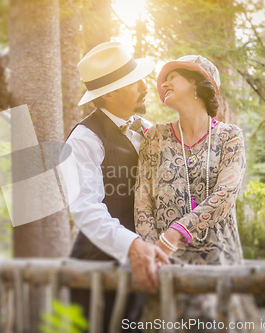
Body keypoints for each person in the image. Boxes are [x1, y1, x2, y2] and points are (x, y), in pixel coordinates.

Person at [134, 55, 259, 331]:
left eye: (172, 76)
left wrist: (177, 231)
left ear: (196, 83)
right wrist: (153, 251)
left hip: (219, 268)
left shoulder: (230, 137)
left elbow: (226, 194)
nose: (164, 82)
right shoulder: (154, 137)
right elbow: (142, 203)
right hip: (167, 268)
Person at [66, 42, 170, 332]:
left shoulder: (146, 129)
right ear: (110, 94)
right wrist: (132, 246)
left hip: (146, 265)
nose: (143, 85)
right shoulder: (83, 139)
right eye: (133, 82)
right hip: (98, 270)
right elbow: (85, 209)